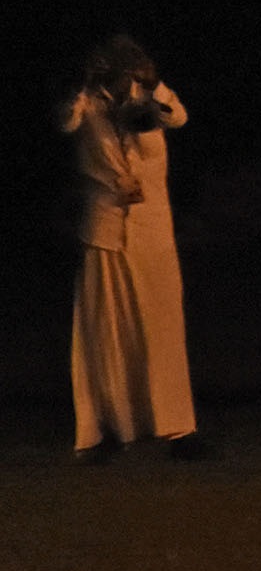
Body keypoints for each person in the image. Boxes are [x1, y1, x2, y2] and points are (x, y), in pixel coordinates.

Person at [60, 35, 206, 463]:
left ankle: (176, 429)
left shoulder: (151, 101)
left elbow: (176, 117)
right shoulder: (88, 103)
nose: (124, 78)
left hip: (151, 232)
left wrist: (153, 83)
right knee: (103, 331)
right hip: (106, 230)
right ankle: (103, 431)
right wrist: (82, 87)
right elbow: (65, 120)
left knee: (162, 328)